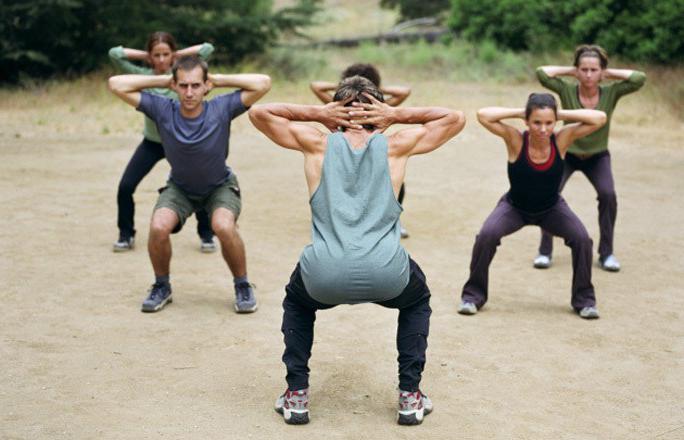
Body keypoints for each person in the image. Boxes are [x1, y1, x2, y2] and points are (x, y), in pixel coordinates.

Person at [249, 76, 465, 425]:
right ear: (378, 112)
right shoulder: (396, 144)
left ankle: (296, 394)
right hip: (387, 273)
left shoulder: (315, 142)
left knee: (297, 300)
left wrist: (317, 113)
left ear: (336, 111)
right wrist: (396, 116)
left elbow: (259, 112)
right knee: (417, 298)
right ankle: (410, 396)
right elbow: (454, 118)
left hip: (324, 274)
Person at [108, 55, 271, 313]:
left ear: (205, 86)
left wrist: (218, 80)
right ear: (174, 86)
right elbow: (116, 84)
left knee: (222, 226)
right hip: (180, 188)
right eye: (183, 85)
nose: (189, 92)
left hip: (220, 186)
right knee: (158, 226)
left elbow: (263, 82)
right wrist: (164, 79)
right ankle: (162, 286)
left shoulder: (221, 107)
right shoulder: (162, 108)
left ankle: (242, 285)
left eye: (196, 85)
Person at [458, 93, 606, 319]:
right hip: (514, 208)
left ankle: (584, 301)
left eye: (549, 123)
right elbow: (483, 115)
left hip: (552, 209)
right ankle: (472, 296)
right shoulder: (516, 139)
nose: (544, 129)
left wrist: (557, 113)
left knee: (582, 240)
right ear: (527, 121)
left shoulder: (562, 139)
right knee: (486, 236)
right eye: (537, 122)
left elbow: (600, 118)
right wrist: (522, 112)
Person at [532, 45, 646, 272]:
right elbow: (542, 73)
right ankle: (545, 251)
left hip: (597, 156)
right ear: (577, 71)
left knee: (608, 195)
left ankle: (607, 253)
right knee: (548, 193)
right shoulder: (566, 90)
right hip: (567, 153)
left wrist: (608, 73)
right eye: (583, 69)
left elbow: (639, 78)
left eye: (594, 70)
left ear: (601, 72)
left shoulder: (611, 92)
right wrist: (570, 70)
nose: (588, 75)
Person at [109, 32, 217, 252]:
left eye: (165, 54)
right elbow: (115, 54)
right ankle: (126, 234)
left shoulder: (182, 78)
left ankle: (206, 235)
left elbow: (207, 49)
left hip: (181, 144)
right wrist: (147, 56)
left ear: (172, 54)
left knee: (201, 185)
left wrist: (177, 55)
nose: (160, 59)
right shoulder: (142, 75)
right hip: (152, 143)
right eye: (156, 55)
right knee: (125, 187)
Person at [310, 63, 412, 238]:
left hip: (374, 149)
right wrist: (348, 87)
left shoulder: (379, 106)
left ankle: (392, 219)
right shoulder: (339, 105)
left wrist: (370, 88)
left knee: (392, 183)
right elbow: (316, 86)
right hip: (345, 149)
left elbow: (404, 91)